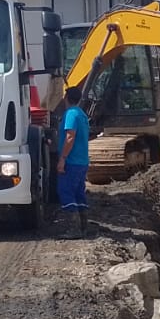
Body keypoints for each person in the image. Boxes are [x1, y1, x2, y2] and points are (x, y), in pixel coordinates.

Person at [56, 86, 90, 239]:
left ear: (66, 98)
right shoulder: (82, 115)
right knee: (78, 193)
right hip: (82, 161)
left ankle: (74, 228)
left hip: (72, 161)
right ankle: (84, 227)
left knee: (66, 191)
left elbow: (70, 137)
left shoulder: (70, 114)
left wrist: (62, 158)